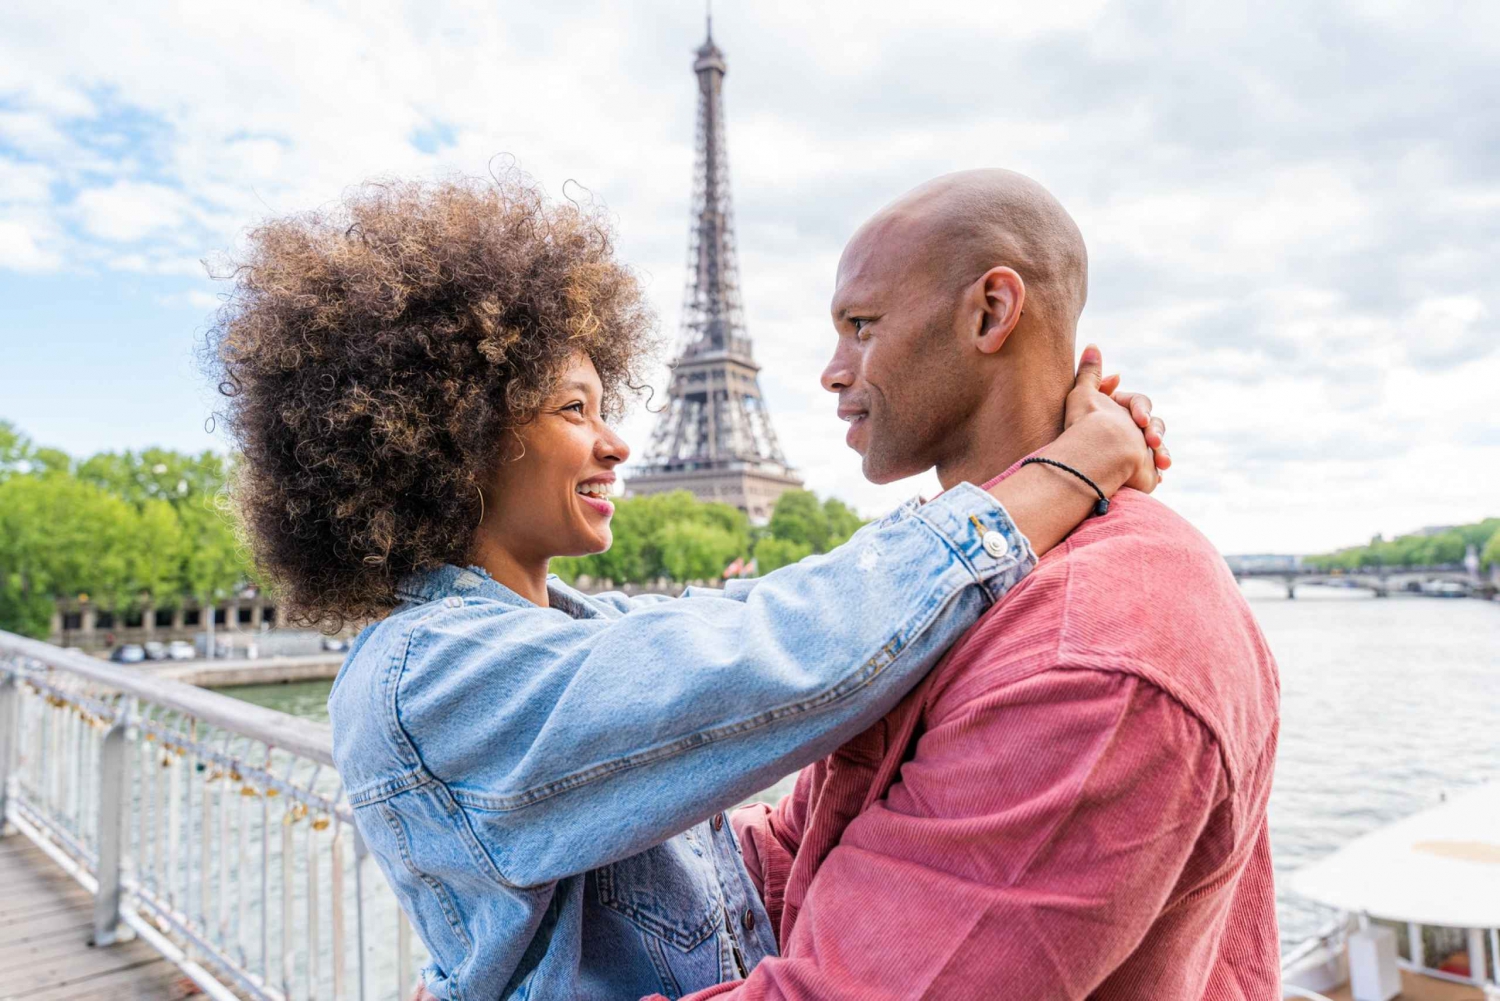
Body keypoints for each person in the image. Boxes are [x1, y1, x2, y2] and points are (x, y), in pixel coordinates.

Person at [208, 175, 1169, 1001]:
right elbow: (788, 652)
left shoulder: (573, 632)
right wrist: (1070, 469)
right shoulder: (433, 680)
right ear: (461, 435)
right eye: (574, 409)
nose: (619, 441)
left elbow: (772, 625)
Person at [667, 169, 1280, 1001]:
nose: (831, 370)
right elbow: (796, 853)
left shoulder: (1092, 657)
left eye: (861, 326)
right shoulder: (980, 586)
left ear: (991, 312)